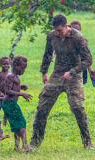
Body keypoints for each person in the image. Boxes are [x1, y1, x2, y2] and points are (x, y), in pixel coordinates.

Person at [30, 14, 93, 150]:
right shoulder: (52, 36)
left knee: (77, 107)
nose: (58, 34)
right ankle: (34, 143)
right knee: (42, 107)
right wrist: (44, 72)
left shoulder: (78, 38)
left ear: (66, 27)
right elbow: (47, 54)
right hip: (58, 74)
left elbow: (88, 60)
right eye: (56, 31)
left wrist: (72, 72)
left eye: (60, 30)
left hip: (74, 75)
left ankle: (87, 143)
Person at [2, 56, 32, 152]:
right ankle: (25, 146)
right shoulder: (10, 76)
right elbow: (7, 91)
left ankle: (16, 147)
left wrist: (21, 87)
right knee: (22, 123)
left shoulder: (15, 77)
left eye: (25, 68)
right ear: (15, 65)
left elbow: (13, 87)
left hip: (10, 103)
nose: (23, 70)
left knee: (16, 125)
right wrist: (22, 94)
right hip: (10, 103)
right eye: (22, 68)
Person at [70, 20, 95, 86]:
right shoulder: (65, 40)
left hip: (81, 68)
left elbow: (86, 58)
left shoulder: (83, 42)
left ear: (80, 30)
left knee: (79, 87)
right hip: (69, 68)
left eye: (78, 30)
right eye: (74, 29)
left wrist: (90, 71)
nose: (76, 31)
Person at [0, 57, 11, 125]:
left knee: (6, 109)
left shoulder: (10, 74)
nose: (6, 65)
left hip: (7, 95)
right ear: (0, 65)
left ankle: (4, 121)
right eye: (4, 64)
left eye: (7, 64)